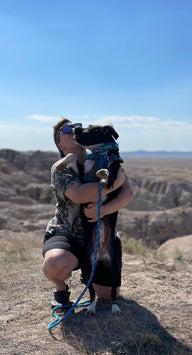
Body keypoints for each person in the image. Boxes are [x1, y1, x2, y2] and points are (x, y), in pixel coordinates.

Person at [42, 117, 134, 318]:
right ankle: (60, 289)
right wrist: (115, 181)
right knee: (55, 263)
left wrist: (106, 209)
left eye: (76, 126)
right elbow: (81, 194)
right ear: (60, 143)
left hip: (97, 234)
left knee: (108, 296)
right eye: (66, 129)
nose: (74, 129)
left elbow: (128, 193)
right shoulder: (61, 167)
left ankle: (100, 259)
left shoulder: (102, 157)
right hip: (67, 233)